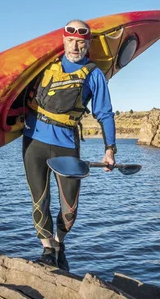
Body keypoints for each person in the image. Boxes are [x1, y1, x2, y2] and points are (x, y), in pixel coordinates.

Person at [23, 19, 117, 271]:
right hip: (34, 141)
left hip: (66, 144)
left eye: (81, 42)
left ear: (87, 44)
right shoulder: (43, 66)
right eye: (71, 40)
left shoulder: (94, 74)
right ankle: (46, 250)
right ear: (63, 40)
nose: (75, 47)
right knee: (39, 200)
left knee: (70, 209)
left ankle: (58, 244)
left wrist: (110, 149)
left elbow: (105, 113)